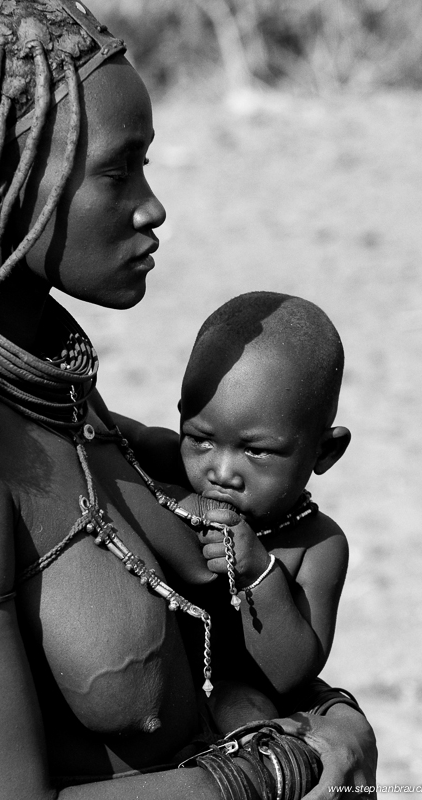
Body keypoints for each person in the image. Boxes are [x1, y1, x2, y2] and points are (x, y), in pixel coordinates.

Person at [0, 1, 377, 798]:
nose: (152, 206)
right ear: (0, 180)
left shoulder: (77, 412)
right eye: (118, 169)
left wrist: (325, 710)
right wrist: (282, 767)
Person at [116, 291, 352, 735]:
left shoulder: (317, 545)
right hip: (142, 685)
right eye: (200, 439)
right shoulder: (171, 465)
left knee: (243, 707)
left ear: (325, 451)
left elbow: (291, 673)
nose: (220, 472)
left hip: (235, 701)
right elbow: (104, 430)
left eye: (256, 452)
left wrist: (259, 574)